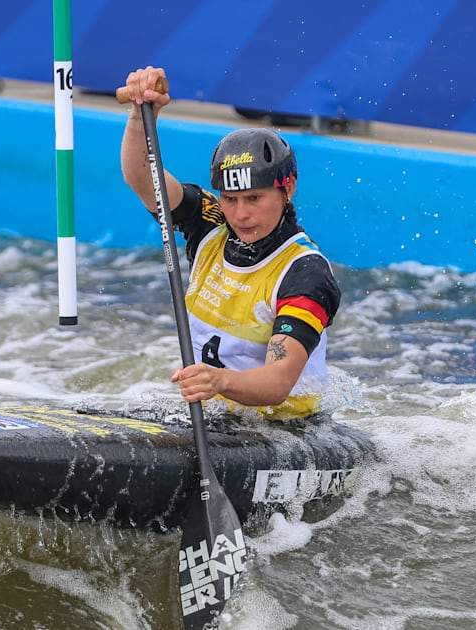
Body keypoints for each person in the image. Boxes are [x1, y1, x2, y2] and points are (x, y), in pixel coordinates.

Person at [120, 66, 341, 420]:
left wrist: (219, 381)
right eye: (230, 199)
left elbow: (278, 382)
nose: (240, 215)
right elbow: (143, 179)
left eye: (254, 199)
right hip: (215, 416)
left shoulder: (305, 273)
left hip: (286, 431)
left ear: (288, 189)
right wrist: (139, 113)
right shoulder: (212, 224)